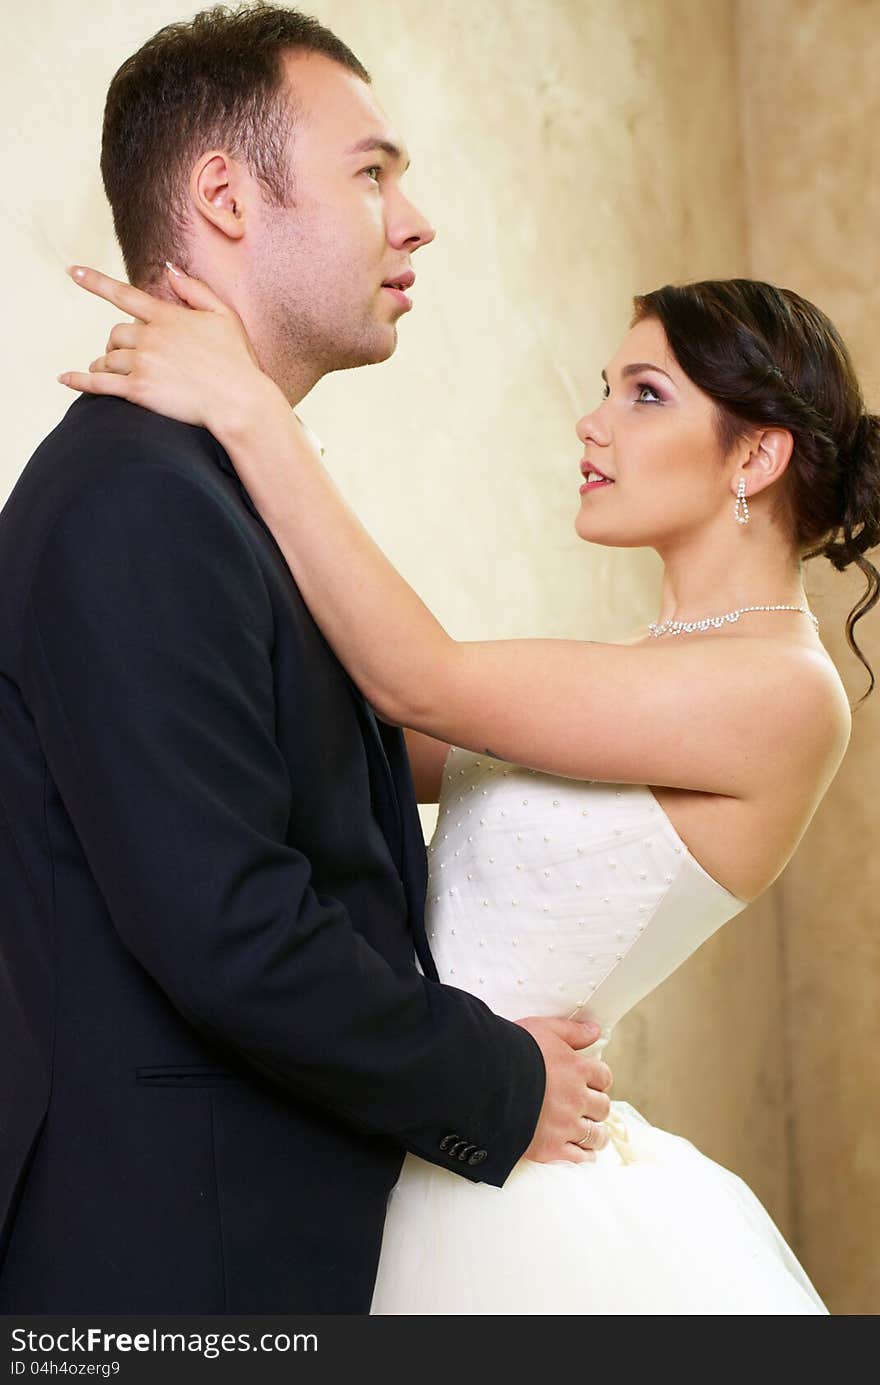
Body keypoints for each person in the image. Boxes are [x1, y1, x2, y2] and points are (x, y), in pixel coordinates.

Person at [60, 262, 880, 1314]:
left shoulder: (784, 694)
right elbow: (363, 742)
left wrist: (249, 408)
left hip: (503, 1195)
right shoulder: (644, 667)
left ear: (757, 454)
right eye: (604, 386)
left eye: (643, 393)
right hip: (403, 1122)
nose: (590, 424)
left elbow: (414, 678)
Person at [0, 8, 618, 1315]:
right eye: (372, 171)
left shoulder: (220, 485)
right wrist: (499, 1083)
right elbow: (230, 928)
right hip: (175, 1268)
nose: (416, 219)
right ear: (225, 196)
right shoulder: (138, 498)